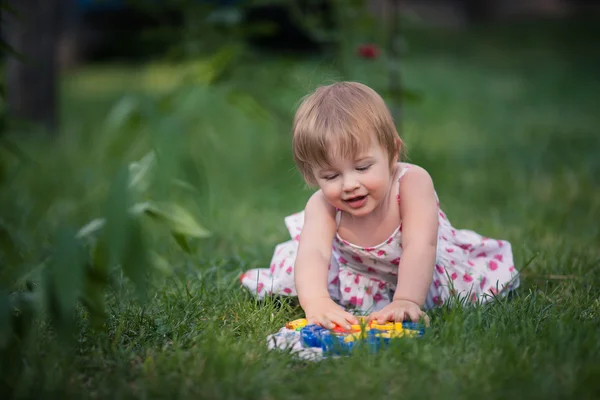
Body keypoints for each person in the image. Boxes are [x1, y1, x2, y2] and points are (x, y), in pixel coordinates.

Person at [240, 81, 519, 330]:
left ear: (392, 152)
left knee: (459, 288)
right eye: (331, 175)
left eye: (362, 167)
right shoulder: (322, 205)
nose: (349, 184)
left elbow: (420, 246)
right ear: (313, 175)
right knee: (299, 267)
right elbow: (314, 254)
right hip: (357, 271)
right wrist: (317, 303)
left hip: (418, 270)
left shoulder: (412, 184)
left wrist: (407, 299)